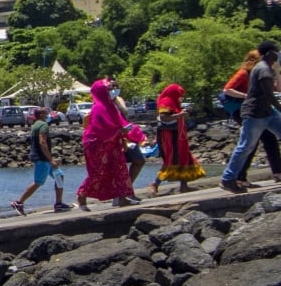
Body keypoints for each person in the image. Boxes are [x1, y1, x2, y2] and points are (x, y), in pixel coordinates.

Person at [222, 41, 281, 194]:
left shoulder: (266, 68)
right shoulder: (263, 69)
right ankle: (228, 178)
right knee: (246, 146)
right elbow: (269, 95)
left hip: (267, 112)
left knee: (266, 141)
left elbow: (276, 91)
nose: (278, 55)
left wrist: (277, 71)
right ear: (270, 53)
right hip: (254, 113)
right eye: (277, 52)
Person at [77, 79, 139, 210]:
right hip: (98, 144)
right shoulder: (98, 108)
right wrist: (118, 131)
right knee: (99, 171)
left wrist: (131, 133)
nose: (112, 91)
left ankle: (122, 197)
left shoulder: (111, 106)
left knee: (119, 169)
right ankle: (82, 195)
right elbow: (100, 128)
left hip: (113, 142)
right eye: (109, 89)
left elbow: (120, 123)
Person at [12, 104, 70, 214]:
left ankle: (58, 203)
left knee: (59, 175)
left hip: (41, 157)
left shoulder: (35, 125)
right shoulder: (43, 125)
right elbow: (42, 142)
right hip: (42, 158)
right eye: (46, 113)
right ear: (41, 115)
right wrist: (51, 159)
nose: (49, 115)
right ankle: (18, 202)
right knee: (38, 182)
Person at [151, 83, 205, 195]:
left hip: (179, 136)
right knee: (172, 159)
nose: (181, 98)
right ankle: (155, 183)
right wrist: (180, 115)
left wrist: (181, 114)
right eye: (179, 95)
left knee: (184, 158)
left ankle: (184, 186)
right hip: (170, 136)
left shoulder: (175, 102)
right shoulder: (166, 101)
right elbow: (164, 117)